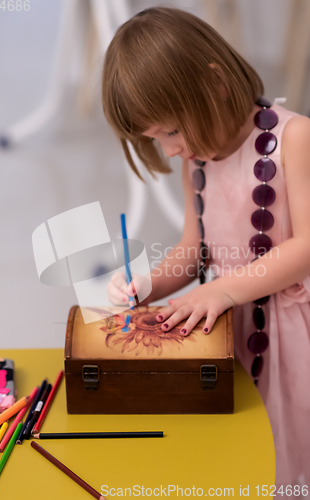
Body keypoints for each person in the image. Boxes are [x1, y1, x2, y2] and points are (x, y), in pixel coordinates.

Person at [102, 7, 310, 493]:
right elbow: (195, 249)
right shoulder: (196, 160)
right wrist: (150, 282)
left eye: (171, 131)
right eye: (156, 139)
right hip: (231, 328)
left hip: (294, 333)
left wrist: (224, 291)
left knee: (288, 442)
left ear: (214, 82)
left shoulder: (292, 139)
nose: (171, 149)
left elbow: (307, 245)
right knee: (239, 442)